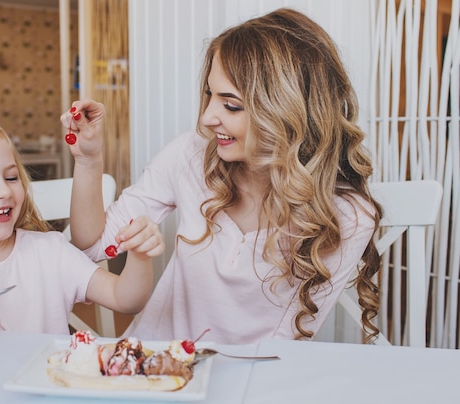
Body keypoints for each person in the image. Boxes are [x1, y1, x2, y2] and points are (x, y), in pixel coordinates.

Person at [61, 8, 382, 345]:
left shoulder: (348, 216)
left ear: (289, 112)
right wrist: (88, 161)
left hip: (249, 384)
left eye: (231, 105)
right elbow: (94, 244)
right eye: (210, 96)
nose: (207, 119)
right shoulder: (190, 155)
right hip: (152, 363)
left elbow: (288, 341)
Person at [0, 114, 164, 357]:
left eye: (11, 178)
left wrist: (140, 256)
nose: (4, 191)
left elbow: (125, 300)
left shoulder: (49, 252)